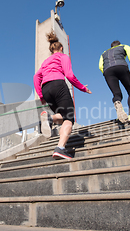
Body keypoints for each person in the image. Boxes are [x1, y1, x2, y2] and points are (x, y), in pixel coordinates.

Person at [34, 31, 92, 160]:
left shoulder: (46, 61)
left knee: (64, 116)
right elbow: (69, 75)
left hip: (46, 89)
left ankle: (50, 119)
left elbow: (36, 76)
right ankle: (60, 148)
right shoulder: (63, 56)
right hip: (58, 85)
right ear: (61, 48)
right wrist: (83, 88)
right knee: (69, 118)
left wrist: (41, 96)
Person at [98, 40, 130, 124]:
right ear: (119, 45)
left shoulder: (104, 53)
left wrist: (106, 73)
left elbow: (100, 66)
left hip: (108, 71)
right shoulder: (124, 46)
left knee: (116, 94)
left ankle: (119, 108)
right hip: (121, 66)